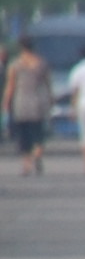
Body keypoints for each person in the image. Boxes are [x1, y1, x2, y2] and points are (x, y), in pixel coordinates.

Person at [4, 38, 48, 177]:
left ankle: (26, 164)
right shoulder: (41, 63)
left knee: (23, 136)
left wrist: (6, 103)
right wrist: (50, 99)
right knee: (37, 133)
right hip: (37, 101)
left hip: (21, 102)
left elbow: (10, 86)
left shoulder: (15, 65)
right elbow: (47, 84)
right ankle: (37, 153)